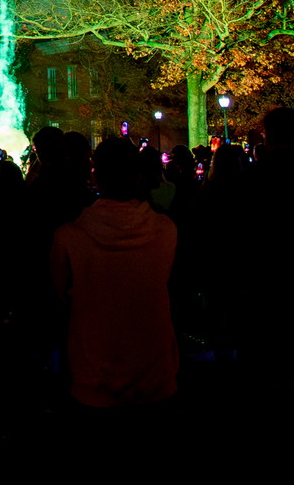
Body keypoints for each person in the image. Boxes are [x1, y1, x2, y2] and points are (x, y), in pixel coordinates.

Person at [49, 135, 178, 415]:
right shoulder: (166, 230)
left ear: (96, 178)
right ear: (138, 176)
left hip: (94, 379)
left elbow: (63, 299)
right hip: (155, 375)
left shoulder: (68, 238)